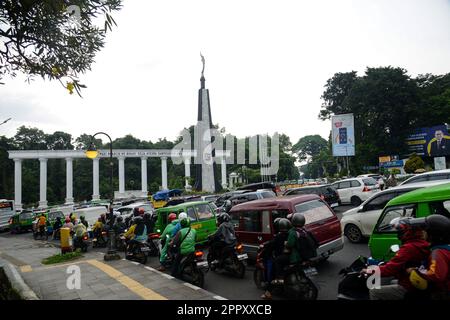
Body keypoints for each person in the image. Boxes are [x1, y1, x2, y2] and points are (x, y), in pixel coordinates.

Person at [362, 217, 430, 300]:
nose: (398, 234)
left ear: (408, 232)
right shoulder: (422, 243)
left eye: (400, 231)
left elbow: (391, 269)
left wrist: (369, 270)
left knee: (374, 292)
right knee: (392, 281)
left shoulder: (409, 247)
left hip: (410, 286)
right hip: (416, 281)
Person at [406, 214, 450, 300]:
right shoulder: (445, 248)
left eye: (425, 230)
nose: (422, 232)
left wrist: (415, 271)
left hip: (442, 293)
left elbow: (435, 275)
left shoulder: (438, 252)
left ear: (433, 234)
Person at [261, 218, 291, 300]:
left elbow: (271, 245)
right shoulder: (292, 234)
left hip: (282, 258)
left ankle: (268, 292)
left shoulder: (279, 236)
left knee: (273, 274)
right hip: (292, 257)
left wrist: (265, 246)